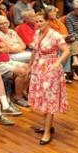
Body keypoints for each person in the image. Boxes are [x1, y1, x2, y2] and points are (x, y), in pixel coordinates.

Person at [27, 11, 69, 145]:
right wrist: (29, 65)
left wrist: (58, 62)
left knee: (49, 99)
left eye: (41, 21)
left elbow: (66, 51)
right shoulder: (37, 33)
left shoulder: (55, 35)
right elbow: (35, 51)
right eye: (37, 21)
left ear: (47, 21)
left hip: (51, 69)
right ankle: (47, 125)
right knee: (42, 97)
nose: (38, 24)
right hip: (38, 68)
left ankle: (47, 133)